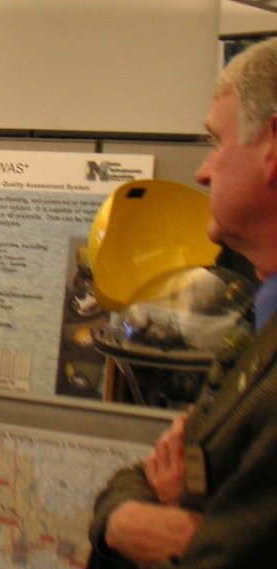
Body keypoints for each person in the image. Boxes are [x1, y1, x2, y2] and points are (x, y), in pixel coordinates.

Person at [87, 37, 277, 568]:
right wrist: (128, 517)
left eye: (216, 142)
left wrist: (169, 505)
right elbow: (145, 475)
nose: (202, 170)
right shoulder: (259, 327)